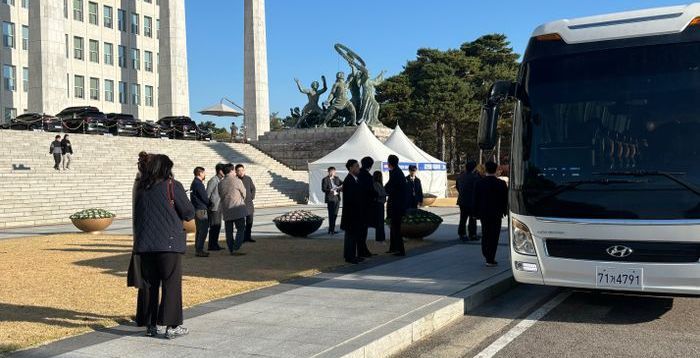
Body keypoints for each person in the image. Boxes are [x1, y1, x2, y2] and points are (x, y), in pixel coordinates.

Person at [132, 154, 194, 339]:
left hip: (145, 244)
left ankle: (150, 325)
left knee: (149, 285)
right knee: (171, 284)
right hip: (168, 243)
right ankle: (171, 326)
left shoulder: (141, 187)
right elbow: (188, 213)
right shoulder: (172, 185)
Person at [474, 162, 509, 267]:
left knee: (485, 233)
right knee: (494, 235)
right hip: (496, 213)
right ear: (496, 170)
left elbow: (476, 199)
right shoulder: (501, 183)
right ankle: (491, 258)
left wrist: (476, 213)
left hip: (484, 213)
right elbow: (505, 199)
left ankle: (486, 253)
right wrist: (504, 211)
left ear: (486, 170)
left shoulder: (479, 183)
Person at [218, 164, 247, 256]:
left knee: (229, 231)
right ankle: (236, 247)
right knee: (241, 228)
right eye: (234, 170)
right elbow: (244, 193)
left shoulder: (220, 183)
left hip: (226, 209)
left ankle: (231, 249)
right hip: (237, 209)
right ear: (231, 171)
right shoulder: (237, 181)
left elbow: (220, 194)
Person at [340, 159, 364, 264]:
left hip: (355, 213)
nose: (358, 168)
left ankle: (352, 255)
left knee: (353, 236)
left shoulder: (355, 179)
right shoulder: (349, 180)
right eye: (356, 166)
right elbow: (351, 199)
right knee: (350, 236)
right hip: (351, 213)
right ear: (351, 168)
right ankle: (350, 256)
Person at [385, 155, 409, 256]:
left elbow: (390, 187)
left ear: (389, 163)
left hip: (397, 205)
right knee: (394, 227)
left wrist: (383, 191)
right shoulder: (397, 172)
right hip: (398, 204)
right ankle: (394, 247)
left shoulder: (395, 173)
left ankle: (400, 249)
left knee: (396, 228)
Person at [356, 157, 377, 257]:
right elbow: (371, 191)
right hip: (365, 206)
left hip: (357, 205)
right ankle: (362, 250)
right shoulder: (368, 176)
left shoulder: (357, 174)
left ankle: (362, 249)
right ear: (371, 165)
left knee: (360, 230)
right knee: (363, 230)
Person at [456, 161, 480, 241]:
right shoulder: (475, 177)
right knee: (472, 218)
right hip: (472, 200)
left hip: (462, 200)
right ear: (474, 168)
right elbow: (478, 189)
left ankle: (462, 234)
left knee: (463, 218)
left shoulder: (460, 176)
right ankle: (472, 234)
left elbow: (457, 186)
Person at [190, 167, 210, 257]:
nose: (205, 174)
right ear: (200, 173)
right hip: (201, 209)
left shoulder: (194, 183)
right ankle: (199, 249)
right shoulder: (198, 184)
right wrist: (210, 203)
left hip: (197, 208)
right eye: (204, 173)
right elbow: (204, 197)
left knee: (199, 230)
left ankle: (198, 248)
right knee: (203, 230)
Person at [206, 163, 225, 251]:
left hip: (220, 206)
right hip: (214, 207)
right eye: (223, 170)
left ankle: (215, 244)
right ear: (220, 171)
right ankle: (211, 245)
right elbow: (208, 194)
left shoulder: (221, 180)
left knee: (218, 226)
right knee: (214, 226)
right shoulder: (213, 180)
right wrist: (211, 204)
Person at [235, 164, 256, 243]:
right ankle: (242, 238)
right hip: (240, 205)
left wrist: (252, 196)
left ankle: (248, 237)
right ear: (236, 171)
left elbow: (253, 188)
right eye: (239, 171)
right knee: (241, 223)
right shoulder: (235, 180)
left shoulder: (248, 178)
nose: (241, 172)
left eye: (242, 170)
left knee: (249, 222)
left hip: (249, 204)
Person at [321, 166, 343, 235]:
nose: (333, 173)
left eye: (334, 171)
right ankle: (331, 230)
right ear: (328, 172)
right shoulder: (325, 179)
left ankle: (331, 229)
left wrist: (340, 187)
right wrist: (330, 190)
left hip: (337, 198)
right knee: (331, 215)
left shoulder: (337, 178)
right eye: (331, 171)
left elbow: (342, 184)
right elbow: (323, 189)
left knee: (335, 214)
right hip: (330, 199)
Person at [370, 170, 387, 242]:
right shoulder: (376, 184)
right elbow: (380, 193)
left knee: (380, 221)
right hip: (378, 204)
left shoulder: (377, 184)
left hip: (380, 203)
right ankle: (380, 237)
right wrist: (385, 193)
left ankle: (380, 237)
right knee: (379, 222)